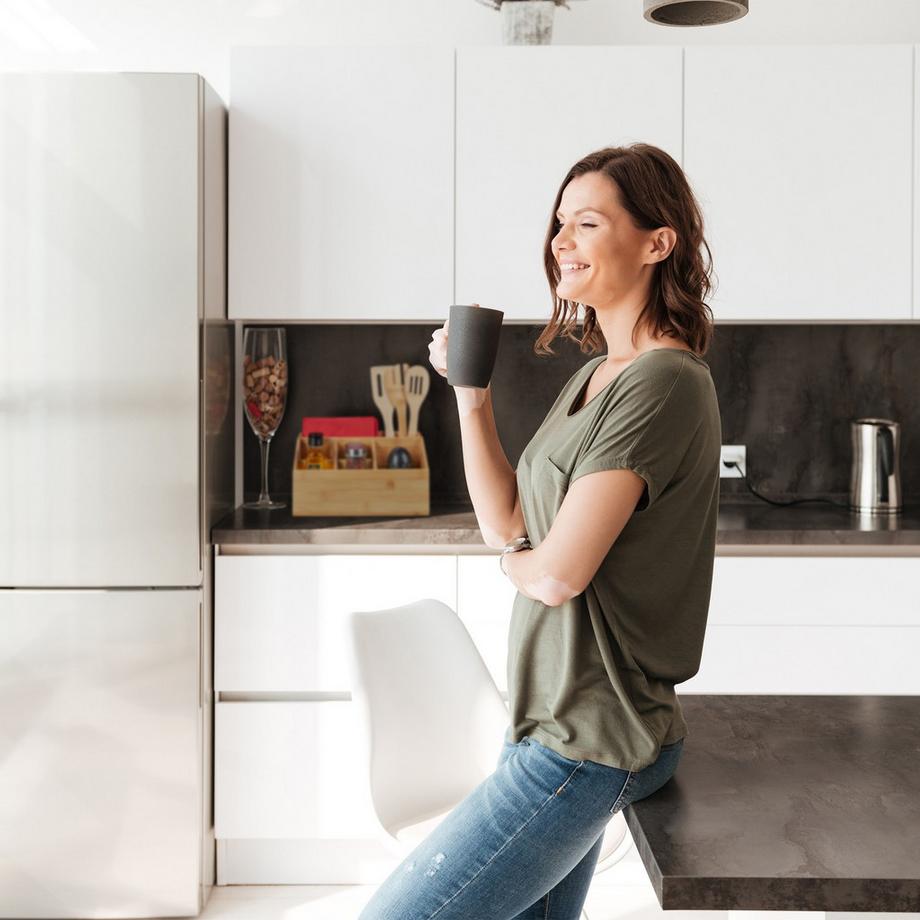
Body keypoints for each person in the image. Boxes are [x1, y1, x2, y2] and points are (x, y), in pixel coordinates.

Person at [358, 143, 722, 920]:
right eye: (559, 223)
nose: (560, 241)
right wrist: (470, 394)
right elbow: (509, 523)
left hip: (592, 739)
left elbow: (556, 573)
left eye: (587, 222)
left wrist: (517, 564)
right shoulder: (596, 376)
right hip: (547, 726)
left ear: (657, 244)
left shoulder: (663, 381)